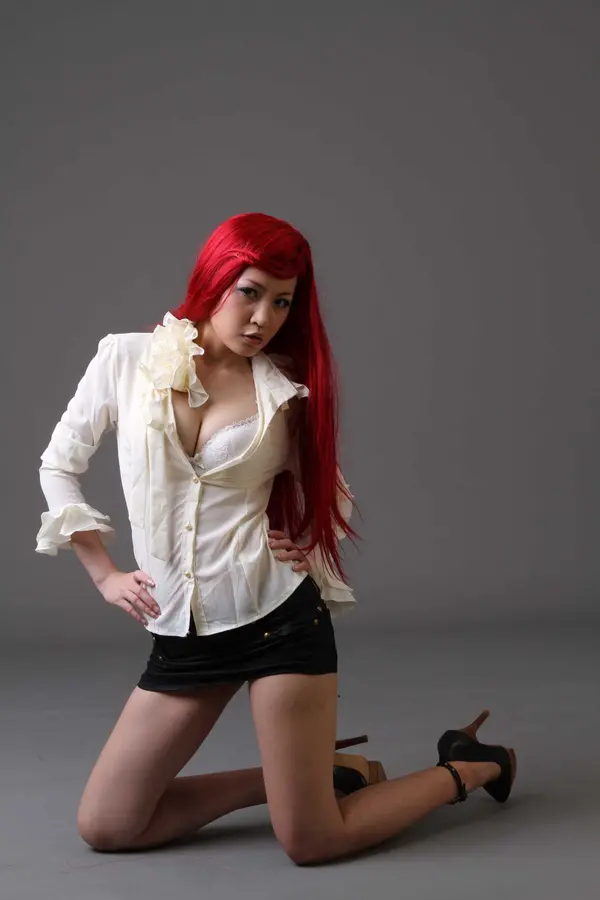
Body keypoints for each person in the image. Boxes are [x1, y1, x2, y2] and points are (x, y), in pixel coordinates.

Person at [35, 212, 517, 864]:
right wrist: (104, 573)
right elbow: (58, 464)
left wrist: (304, 545)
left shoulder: (280, 394)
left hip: (277, 624)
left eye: (283, 302)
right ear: (215, 278)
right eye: (251, 292)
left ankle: (472, 764)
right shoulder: (126, 358)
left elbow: (330, 494)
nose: (263, 317)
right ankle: (312, 778)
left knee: (313, 842)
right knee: (108, 824)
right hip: (183, 634)